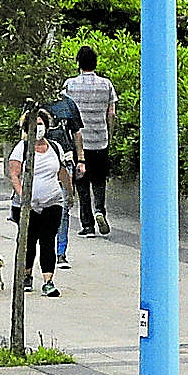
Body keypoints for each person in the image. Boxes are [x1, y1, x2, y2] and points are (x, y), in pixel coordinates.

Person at [9, 108, 74, 298]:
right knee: (28, 241)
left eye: (40, 124)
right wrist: (23, 196)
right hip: (28, 205)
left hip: (52, 201)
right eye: (33, 125)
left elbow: (62, 172)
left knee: (48, 240)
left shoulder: (55, 147)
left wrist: (69, 193)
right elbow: (14, 174)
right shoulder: (22, 147)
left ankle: (48, 280)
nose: (37, 128)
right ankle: (27, 274)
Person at [63, 45, 117, 236]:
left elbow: (65, 113)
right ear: (95, 63)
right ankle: (100, 210)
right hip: (100, 139)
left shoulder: (69, 85)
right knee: (99, 180)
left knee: (82, 183)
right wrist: (109, 134)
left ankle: (87, 225)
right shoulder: (106, 85)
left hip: (79, 142)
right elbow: (111, 113)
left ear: (78, 63)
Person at [44, 92, 85, 269]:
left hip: (65, 160)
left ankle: (60, 252)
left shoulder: (68, 104)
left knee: (63, 209)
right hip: (42, 161)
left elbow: (77, 134)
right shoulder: (36, 103)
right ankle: (45, 249)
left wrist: (81, 159)